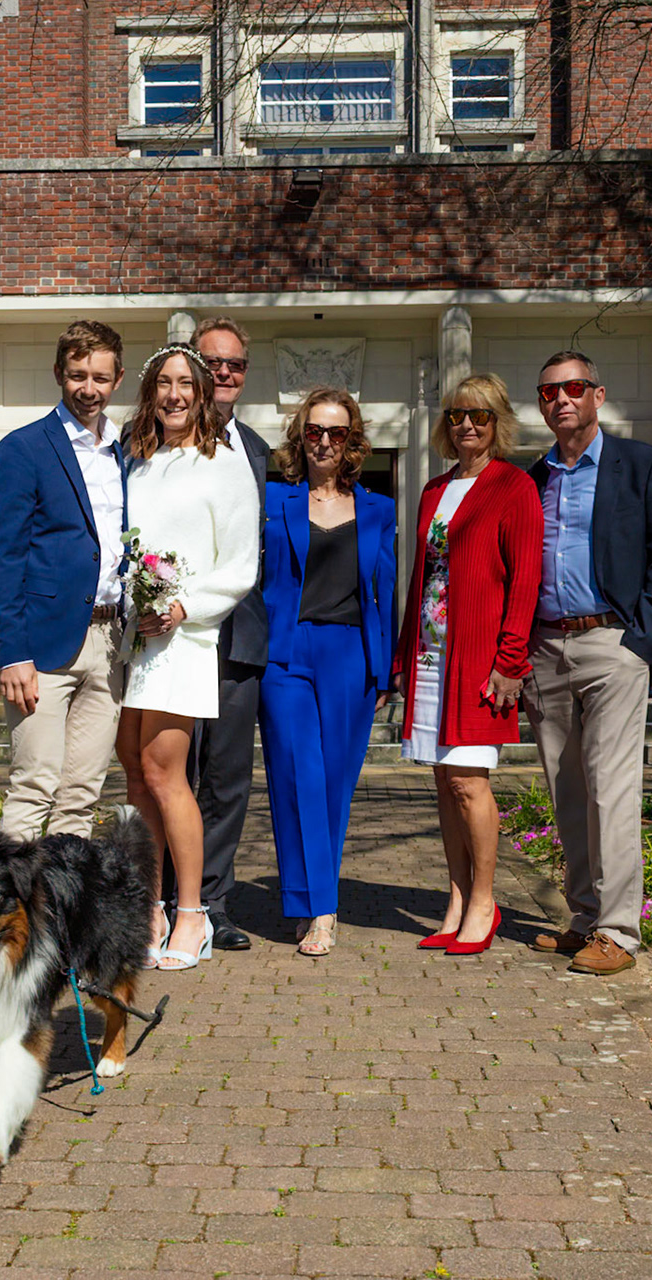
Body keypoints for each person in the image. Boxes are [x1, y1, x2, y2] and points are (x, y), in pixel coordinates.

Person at [523, 350, 652, 977]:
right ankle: (584, 918)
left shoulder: (644, 466)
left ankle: (619, 933)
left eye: (572, 388)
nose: (560, 400)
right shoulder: (532, 478)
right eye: (548, 392)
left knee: (611, 787)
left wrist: (639, 643)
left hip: (612, 644)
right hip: (544, 648)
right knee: (565, 790)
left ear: (598, 394)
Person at [117, 345, 261, 970]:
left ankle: (194, 914)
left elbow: (241, 566)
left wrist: (183, 608)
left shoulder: (224, 464)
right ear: (150, 393)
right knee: (134, 770)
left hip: (185, 638)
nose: (174, 395)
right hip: (135, 639)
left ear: (202, 394)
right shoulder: (139, 462)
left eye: (185, 384)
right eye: (163, 384)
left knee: (166, 773)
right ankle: (149, 906)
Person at [393, 374, 542, 956]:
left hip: (480, 660)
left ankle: (484, 900)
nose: (467, 426)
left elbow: (525, 581)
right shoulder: (434, 490)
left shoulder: (514, 487)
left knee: (468, 781)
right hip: (433, 657)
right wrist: (406, 656)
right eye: (457, 415)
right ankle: (455, 900)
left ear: (497, 422)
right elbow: (421, 579)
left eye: (479, 417)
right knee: (443, 781)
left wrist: (510, 661)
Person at [257, 387, 396, 957]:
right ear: (301, 436)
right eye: (314, 430)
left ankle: (310, 897)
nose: (324, 442)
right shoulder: (274, 500)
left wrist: (384, 672)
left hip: (350, 656)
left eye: (336, 433)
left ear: (352, 442)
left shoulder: (379, 509)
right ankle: (321, 908)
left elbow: (385, 590)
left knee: (335, 784)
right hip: (286, 654)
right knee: (295, 776)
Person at [0, 320, 128, 841]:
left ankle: (59, 920)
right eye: (77, 375)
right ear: (58, 374)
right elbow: (3, 556)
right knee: (33, 787)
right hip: (42, 647)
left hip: (111, 643)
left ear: (118, 379)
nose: (89, 389)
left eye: (100, 377)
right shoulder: (23, 449)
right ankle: (2, 924)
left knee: (81, 798)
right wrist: (11, 652)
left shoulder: (125, 452)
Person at [182, 316, 269, 953]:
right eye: (212, 362)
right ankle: (168, 900)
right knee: (173, 773)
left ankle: (214, 903)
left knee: (228, 779)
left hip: (241, 641)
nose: (224, 372)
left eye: (234, 363)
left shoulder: (263, 453)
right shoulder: (160, 444)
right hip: (177, 639)